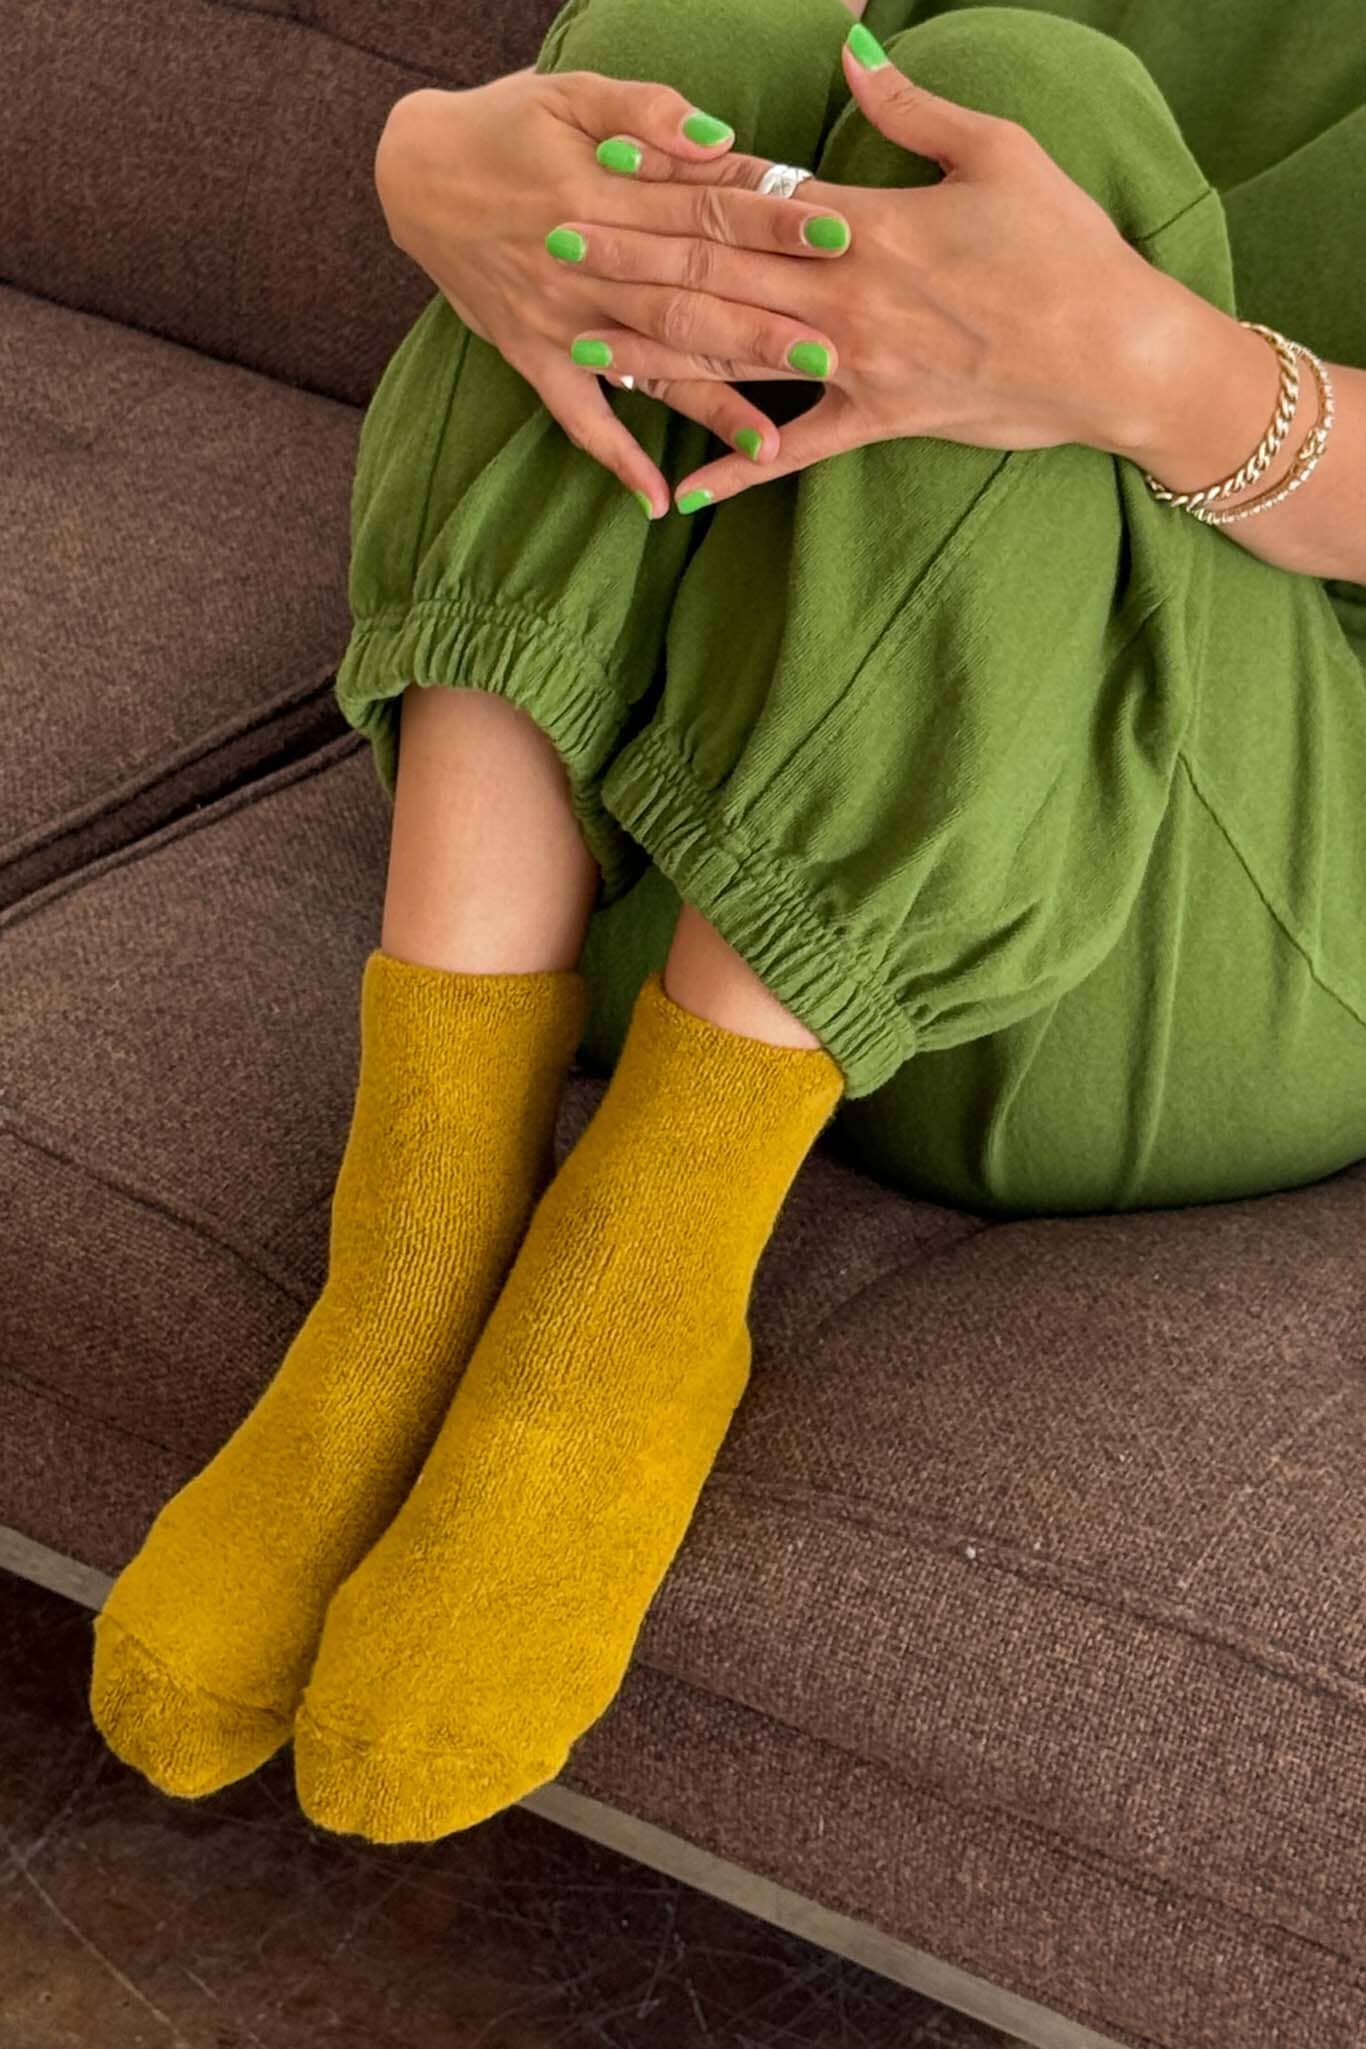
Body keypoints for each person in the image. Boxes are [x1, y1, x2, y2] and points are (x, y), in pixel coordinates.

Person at [89, 0, 1366, 1846]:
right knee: (689, 33)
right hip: (665, 836)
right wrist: (431, 156)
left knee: (1024, 108)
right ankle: (411, 1253)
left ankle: (642, 1283)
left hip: (1206, 925)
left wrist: (1153, 371)